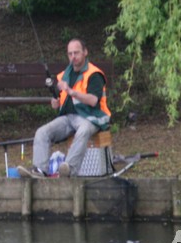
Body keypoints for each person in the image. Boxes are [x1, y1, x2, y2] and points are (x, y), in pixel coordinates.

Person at [18, 38, 111, 178]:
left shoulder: (94, 74)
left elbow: (93, 101)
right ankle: (40, 171)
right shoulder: (65, 74)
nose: (73, 57)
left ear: (85, 52)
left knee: (83, 130)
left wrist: (72, 91)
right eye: (70, 54)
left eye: (76, 53)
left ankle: (68, 170)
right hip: (68, 118)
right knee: (42, 132)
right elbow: (63, 98)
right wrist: (56, 103)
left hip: (92, 117)